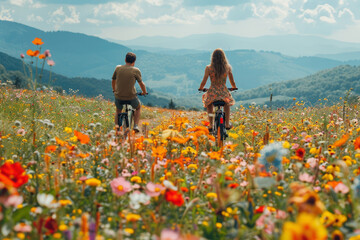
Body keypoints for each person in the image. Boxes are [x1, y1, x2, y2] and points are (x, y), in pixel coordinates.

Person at [198, 48, 237, 131]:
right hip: (223, 91)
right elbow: (232, 81)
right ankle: (226, 124)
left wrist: (201, 88)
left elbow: (204, 81)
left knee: (209, 104)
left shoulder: (209, 68)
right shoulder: (227, 67)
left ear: (213, 57)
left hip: (212, 91)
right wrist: (234, 87)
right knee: (227, 103)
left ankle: (211, 125)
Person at [112, 52, 147, 133]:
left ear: (125, 59)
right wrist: (144, 92)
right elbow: (141, 84)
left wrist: (114, 90)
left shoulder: (118, 68)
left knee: (118, 110)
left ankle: (117, 128)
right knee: (138, 108)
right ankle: (135, 125)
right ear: (134, 61)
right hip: (131, 97)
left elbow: (113, 80)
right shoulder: (136, 70)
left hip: (119, 96)